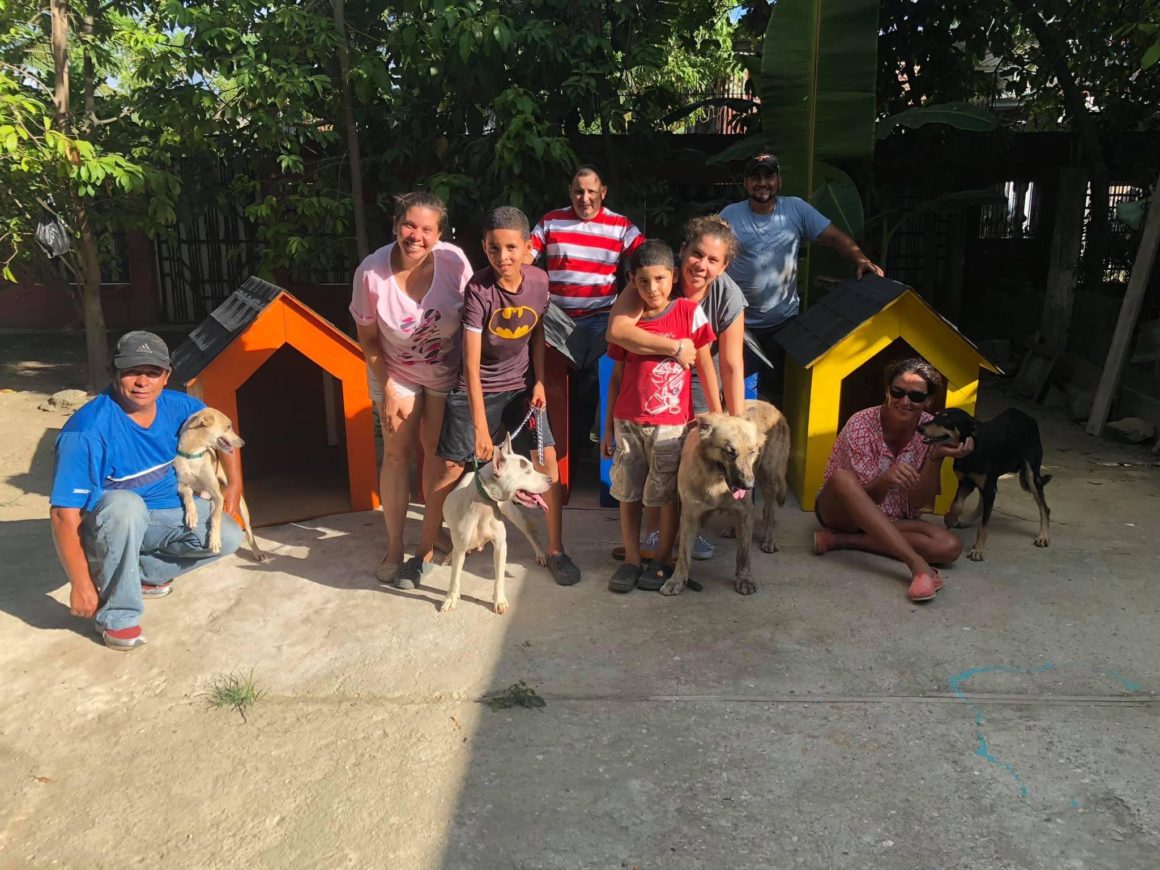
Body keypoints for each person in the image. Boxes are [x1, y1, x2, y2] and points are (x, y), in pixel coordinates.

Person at [49, 331, 244, 650]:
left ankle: (143, 573)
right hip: (112, 523)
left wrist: (234, 485)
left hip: (163, 515)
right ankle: (117, 616)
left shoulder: (182, 408)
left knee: (229, 537)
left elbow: (224, 432)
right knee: (125, 506)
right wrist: (80, 582)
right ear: (113, 373)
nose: (142, 382)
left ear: (166, 376)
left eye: (152, 372)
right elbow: (62, 514)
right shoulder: (86, 431)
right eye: (132, 372)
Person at [436, 206, 582, 587]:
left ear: (528, 247)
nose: (503, 257)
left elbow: (536, 331)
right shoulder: (479, 290)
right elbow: (469, 365)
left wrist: (538, 380)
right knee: (453, 468)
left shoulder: (539, 281)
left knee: (546, 458)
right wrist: (482, 430)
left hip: (520, 384)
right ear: (484, 249)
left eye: (511, 248)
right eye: (494, 249)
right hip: (477, 387)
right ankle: (428, 544)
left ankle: (556, 549)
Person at [606, 214, 748, 562]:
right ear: (682, 251)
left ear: (724, 266)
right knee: (655, 455)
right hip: (654, 365)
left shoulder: (728, 295)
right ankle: (655, 533)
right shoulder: (653, 277)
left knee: (692, 450)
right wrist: (674, 347)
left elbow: (729, 364)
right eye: (697, 254)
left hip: (701, 370)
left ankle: (689, 526)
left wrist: (732, 420)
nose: (701, 265)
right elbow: (618, 332)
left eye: (713, 260)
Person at [351, 192, 473, 588]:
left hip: (445, 371)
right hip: (394, 369)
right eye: (409, 225)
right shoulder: (371, 273)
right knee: (398, 455)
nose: (415, 235)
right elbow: (368, 339)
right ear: (394, 225)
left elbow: (476, 315)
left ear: (439, 234)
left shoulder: (455, 262)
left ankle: (433, 535)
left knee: (437, 456)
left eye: (426, 229)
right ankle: (394, 544)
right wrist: (386, 387)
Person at [602, 240, 720, 593]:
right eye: (643, 281)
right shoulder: (628, 320)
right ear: (631, 281)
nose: (652, 289)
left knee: (666, 494)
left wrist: (717, 417)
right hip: (628, 422)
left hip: (671, 426)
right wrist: (607, 425)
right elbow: (617, 377)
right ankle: (632, 561)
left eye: (659, 279)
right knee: (627, 492)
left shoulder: (688, 312)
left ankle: (661, 560)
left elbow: (705, 366)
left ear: (673, 276)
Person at [720, 153, 884, 400]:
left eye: (769, 176)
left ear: (779, 181)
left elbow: (834, 237)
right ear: (745, 184)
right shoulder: (730, 215)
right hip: (740, 324)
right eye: (755, 177)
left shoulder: (795, 209)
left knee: (783, 394)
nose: (762, 183)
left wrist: (860, 259)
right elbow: (710, 252)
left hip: (784, 323)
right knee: (743, 394)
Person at [813, 358, 973, 603]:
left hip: (892, 519)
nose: (905, 401)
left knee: (949, 547)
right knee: (842, 478)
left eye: (916, 397)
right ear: (887, 392)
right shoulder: (862, 425)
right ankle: (918, 566)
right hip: (843, 512)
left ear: (928, 401)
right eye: (897, 392)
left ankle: (844, 541)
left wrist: (937, 457)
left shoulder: (931, 431)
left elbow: (917, 502)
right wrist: (886, 480)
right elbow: (862, 502)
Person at [531, 164, 645, 439]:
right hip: (556, 319)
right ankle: (563, 445)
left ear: (603, 192)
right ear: (570, 192)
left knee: (595, 381)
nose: (585, 198)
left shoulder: (620, 225)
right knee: (555, 384)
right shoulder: (550, 221)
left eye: (591, 191)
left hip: (601, 318)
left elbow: (647, 258)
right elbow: (525, 257)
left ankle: (589, 443)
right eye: (579, 191)